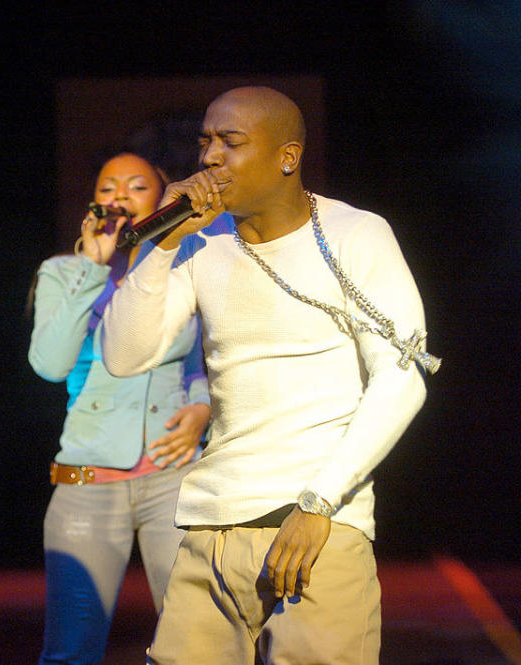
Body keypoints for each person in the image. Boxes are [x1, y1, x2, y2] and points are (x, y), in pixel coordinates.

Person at [101, 87, 438, 664]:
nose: (209, 157)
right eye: (205, 142)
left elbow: (401, 378)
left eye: (230, 143)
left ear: (287, 157)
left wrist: (318, 503)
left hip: (316, 524)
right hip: (212, 523)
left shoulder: (357, 233)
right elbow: (123, 356)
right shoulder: (200, 241)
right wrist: (162, 246)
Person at [28, 152, 211, 664]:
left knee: (193, 647)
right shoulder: (64, 272)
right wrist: (91, 268)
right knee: (70, 653)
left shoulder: (186, 265)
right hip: (88, 481)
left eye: (136, 187)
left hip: (171, 473)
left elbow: (202, 364)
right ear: (93, 201)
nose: (120, 198)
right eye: (109, 187)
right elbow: (49, 364)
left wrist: (202, 410)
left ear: (160, 199)